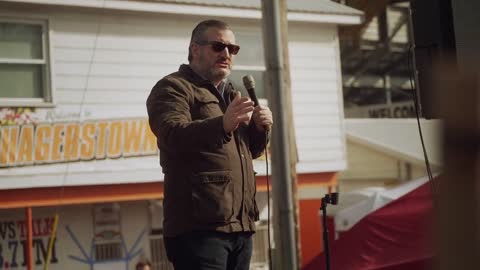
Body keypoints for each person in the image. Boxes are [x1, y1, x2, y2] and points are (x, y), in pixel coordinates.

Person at [146, 19, 273, 270]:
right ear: (195, 49)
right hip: (198, 231)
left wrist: (259, 130)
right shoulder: (173, 88)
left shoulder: (230, 94)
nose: (227, 54)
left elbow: (249, 151)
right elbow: (172, 135)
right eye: (218, 46)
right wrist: (222, 124)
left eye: (232, 49)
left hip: (241, 227)